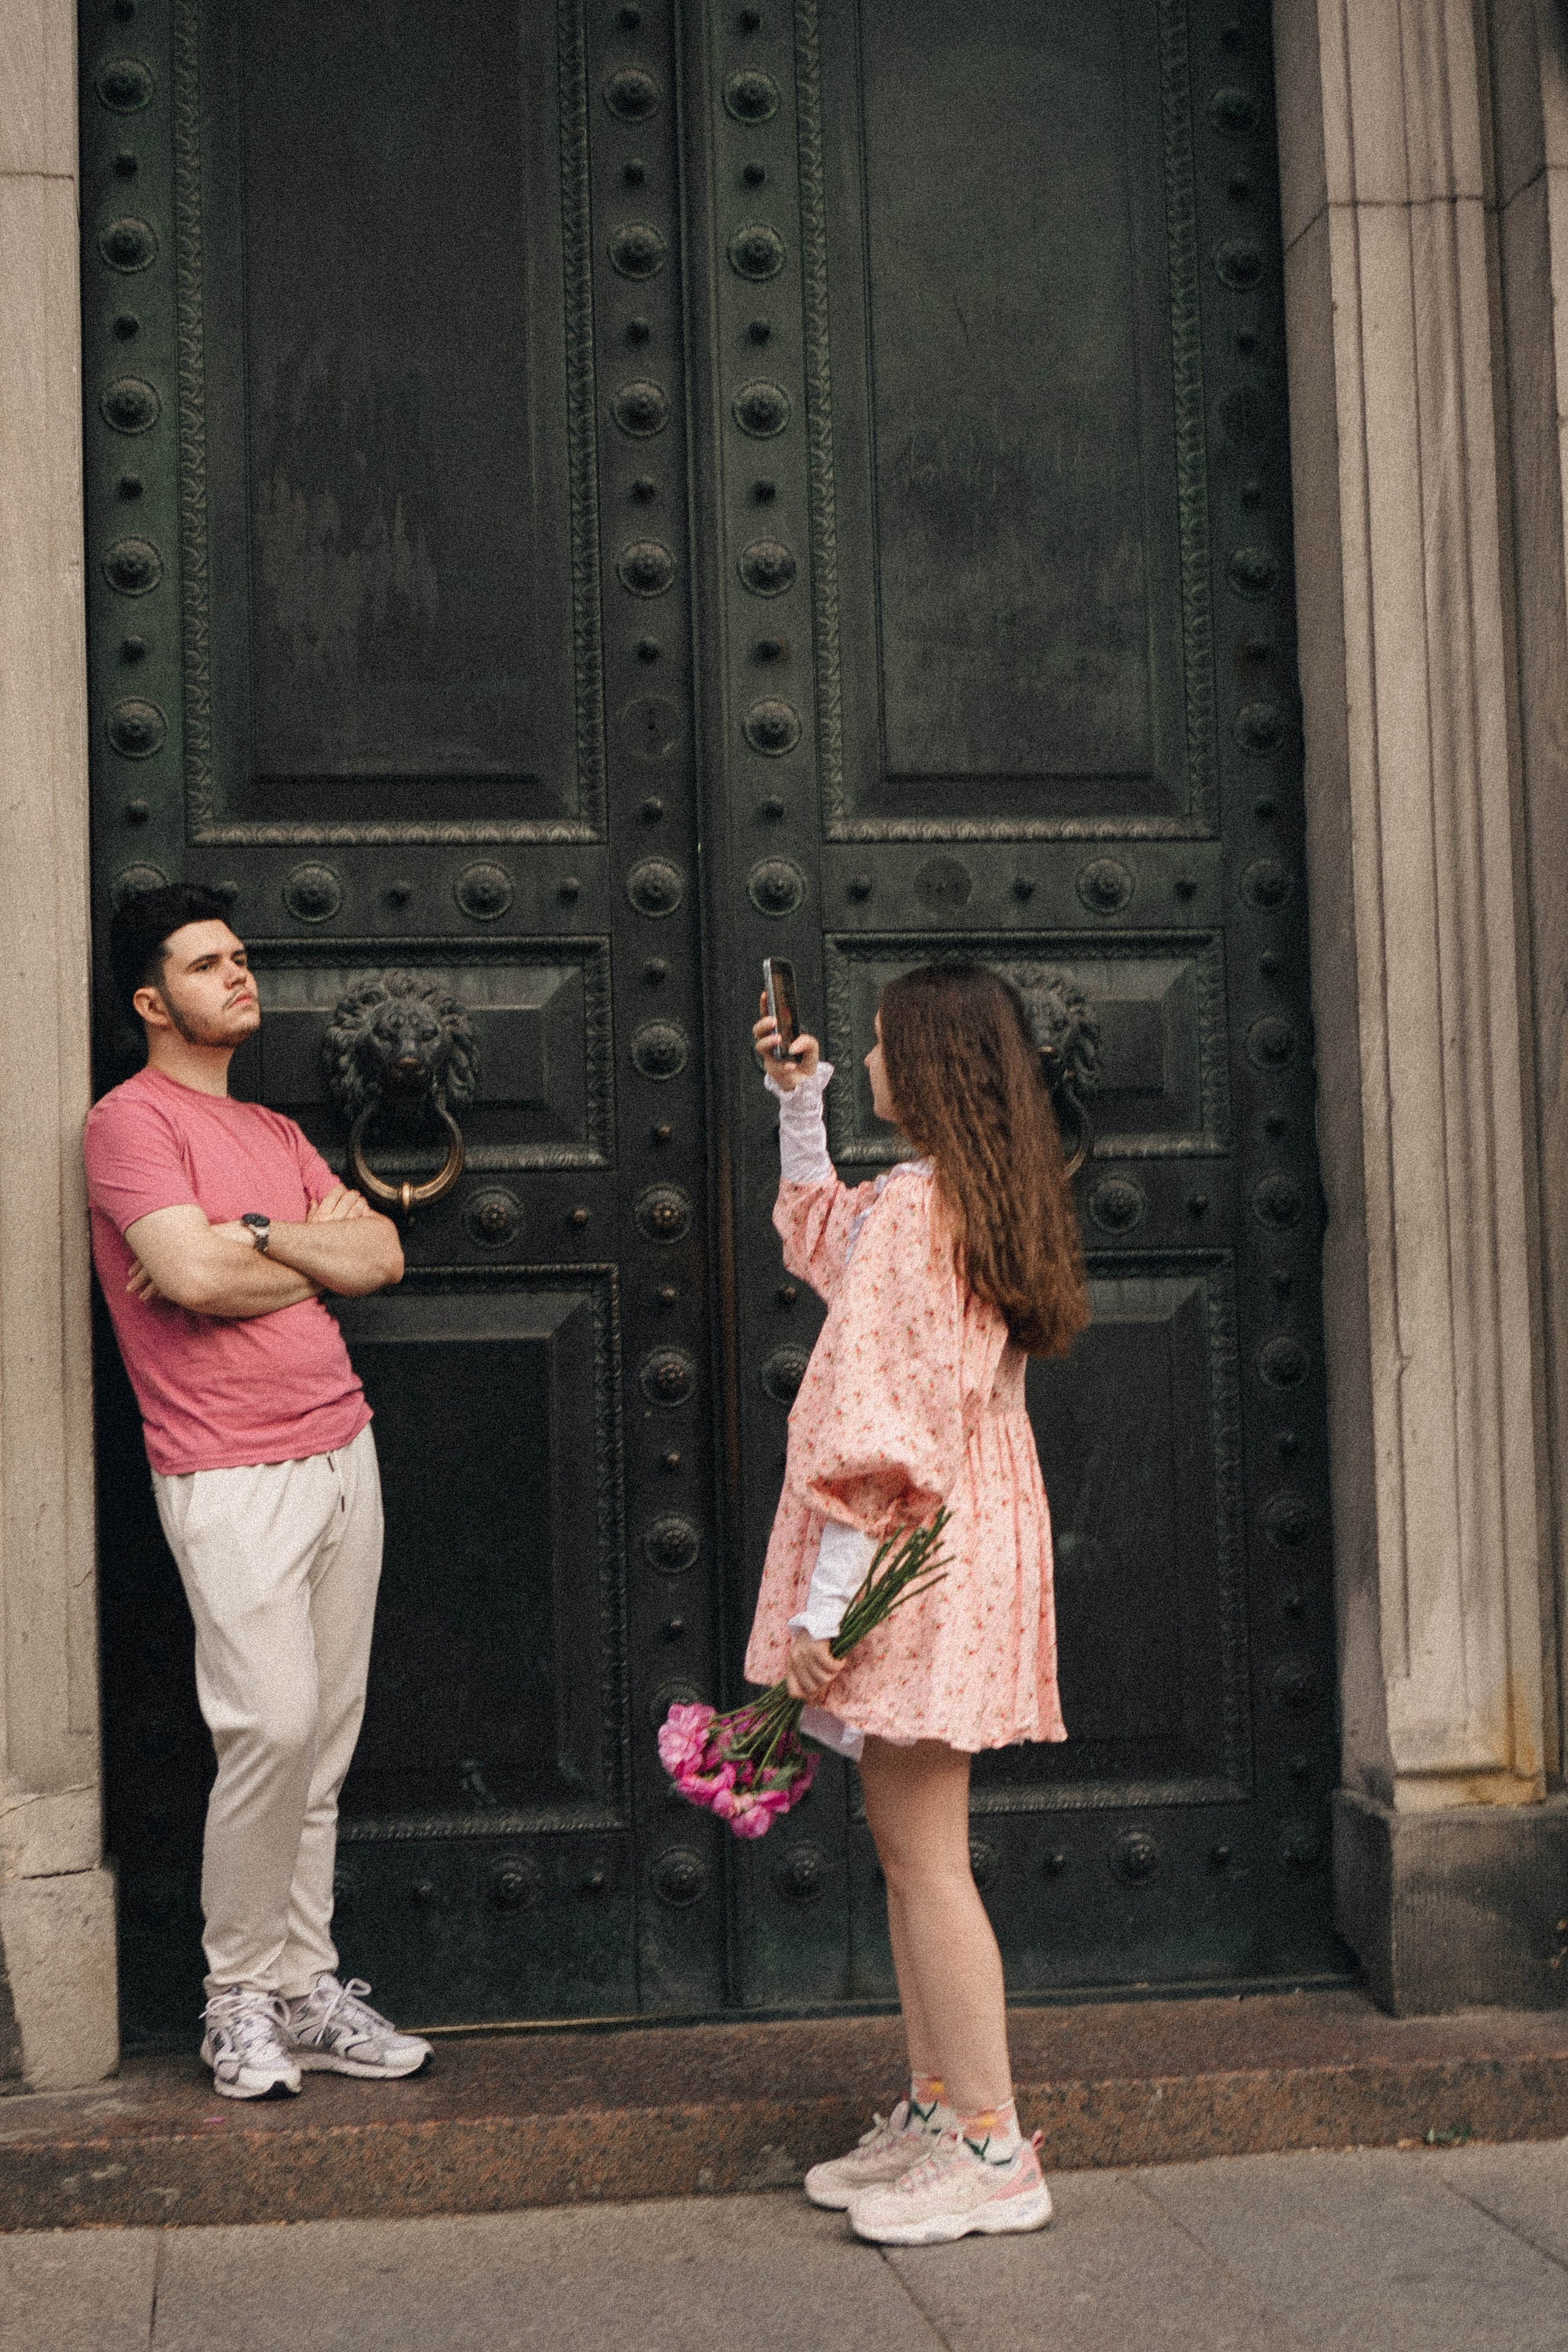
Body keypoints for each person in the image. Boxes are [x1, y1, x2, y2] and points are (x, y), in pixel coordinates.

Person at [747, 962, 1089, 2247]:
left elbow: (876, 1423)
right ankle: (941, 2112)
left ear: (930, 1065)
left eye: (882, 1047)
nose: (872, 1062)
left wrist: (823, 1614)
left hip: (907, 1549)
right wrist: (801, 1104)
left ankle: (993, 2145)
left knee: (927, 1858)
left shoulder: (917, 1210)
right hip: (967, 1535)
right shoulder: (960, 1198)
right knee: (908, 1848)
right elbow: (821, 1238)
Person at [85, 883, 431, 2101]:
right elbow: (185, 1276)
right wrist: (295, 1250)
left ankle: (304, 1985)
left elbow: (381, 1256)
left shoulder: (276, 1136)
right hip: (225, 1469)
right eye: (205, 963)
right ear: (149, 1000)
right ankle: (234, 1997)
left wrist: (262, 1238)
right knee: (268, 1727)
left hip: (342, 1450)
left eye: (240, 956)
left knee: (319, 1745)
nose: (237, 974)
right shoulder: (128, 1125)